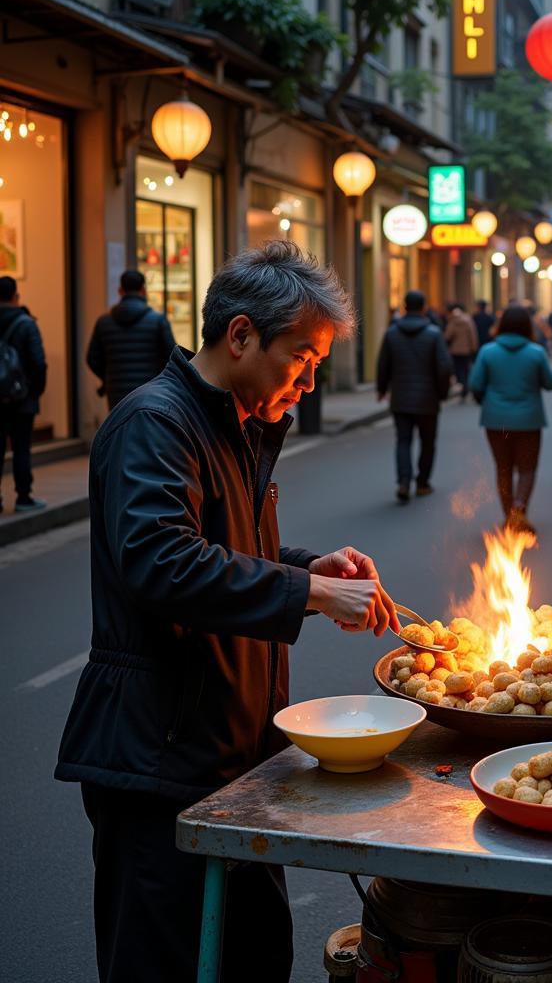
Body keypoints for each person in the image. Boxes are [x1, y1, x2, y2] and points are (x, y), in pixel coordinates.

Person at [54, 241, 399, 983]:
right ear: (240, 335)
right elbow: (162, 562)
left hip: (232, 755)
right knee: (166, 962)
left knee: (252, 956)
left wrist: (308, 566)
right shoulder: (154, 422)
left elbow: (226, 546)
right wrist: (310, 593)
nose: (307, 383)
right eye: (301, 361)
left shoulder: (236, 423)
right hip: (158, 756)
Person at [469, 305, 552, 535]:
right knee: (527, 469)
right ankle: (520, 509)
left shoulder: (488, 351)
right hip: (529, 419)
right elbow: (550, 382)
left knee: (503, 468)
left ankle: (509, 514)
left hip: (495, 419)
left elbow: (476, 384)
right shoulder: (535, 352)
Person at [376, 289, 453, 503]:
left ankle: (403, 481)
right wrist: (442, 393)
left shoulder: (392, 333)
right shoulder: (433, 334)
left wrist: (382, 389)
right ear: (424, 308)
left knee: (403, 440)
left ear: (405, 307)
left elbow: (383, 365)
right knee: (427, 442)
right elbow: (444, 367)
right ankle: (422, 483)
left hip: (400, 397)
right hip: (428, 399)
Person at [86, 269, 176, 411]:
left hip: (116, 392)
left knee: (120, 429)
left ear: (120, 291)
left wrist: (108, 377)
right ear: (143, 290)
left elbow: (92, 358)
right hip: (150, 391)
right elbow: (172, 357)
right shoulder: (158, 321)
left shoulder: (104, 322)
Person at [0, 275, 47, 513]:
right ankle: (23, 497)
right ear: (16, 295)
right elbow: (39, 363)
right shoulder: (26, 323)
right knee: (21, 449)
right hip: (22, 399)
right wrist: (34, 392)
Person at [443, 302, 479, 402]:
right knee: (466, 368)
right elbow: (473, 335)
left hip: (455, 350)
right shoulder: (468, 320)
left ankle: (463, 385)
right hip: (466, 350)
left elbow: (447, 336)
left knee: (458, 369)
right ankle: (466, 385)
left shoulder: (452, 321)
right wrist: (474, 347)